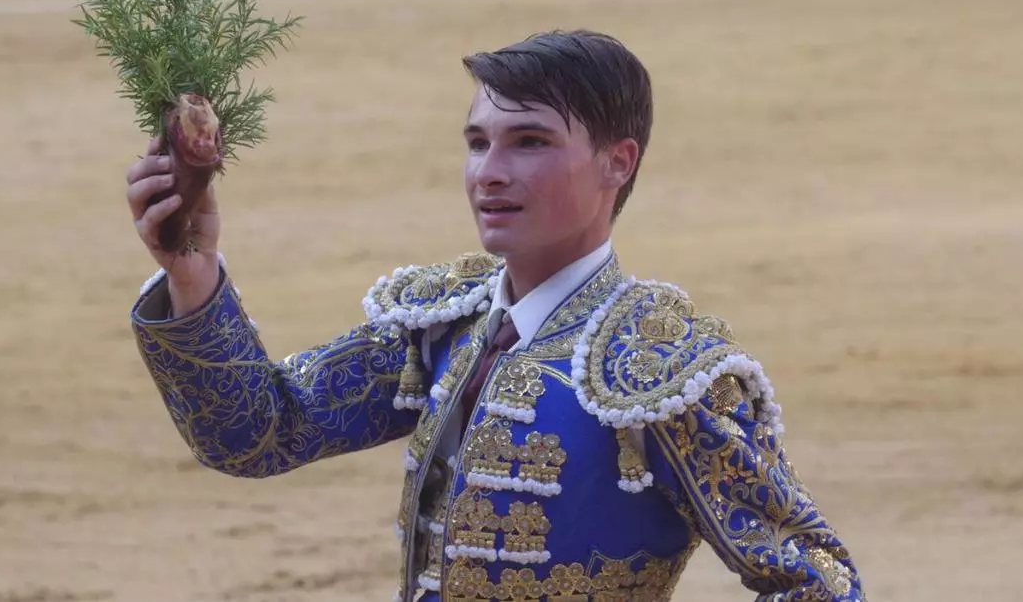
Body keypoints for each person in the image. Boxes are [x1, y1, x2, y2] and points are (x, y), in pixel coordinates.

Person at [126, 30, 866, 601]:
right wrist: (193, 275)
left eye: (531, 142)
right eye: (478, 142)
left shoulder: (662, 373)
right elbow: (259, 432)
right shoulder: (442, 324)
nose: (490, 172)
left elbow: (816, 579)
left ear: (619, 162)